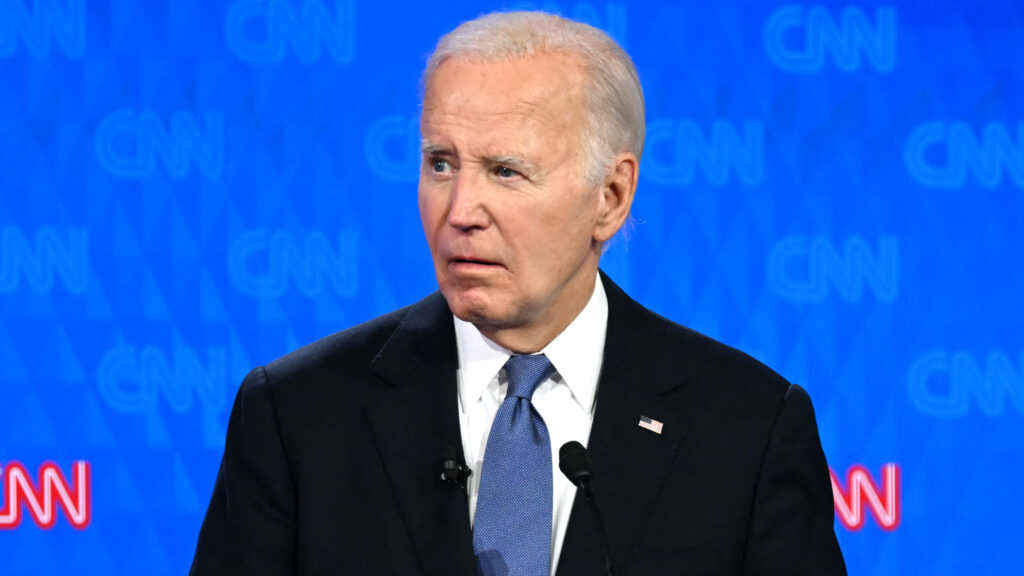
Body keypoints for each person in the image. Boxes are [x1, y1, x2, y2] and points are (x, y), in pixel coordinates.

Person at [191, 11, 846, 576]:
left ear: (610, 197)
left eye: (505, 171)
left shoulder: (747, 428)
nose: (460, 211)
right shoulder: (297, 415)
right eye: (441, 163)